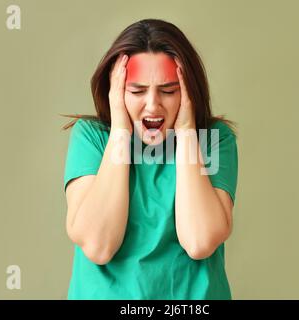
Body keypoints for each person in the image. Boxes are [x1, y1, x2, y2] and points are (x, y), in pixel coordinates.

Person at [61, 18, 239, 300]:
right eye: (137, 91)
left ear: (189, 90)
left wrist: (186, 131)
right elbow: (98, 245)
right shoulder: (92, 138)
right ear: (117, 91)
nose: (153, 105)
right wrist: (120, 130)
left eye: (168, 91)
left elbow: (199, 241)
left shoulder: (214, 140)